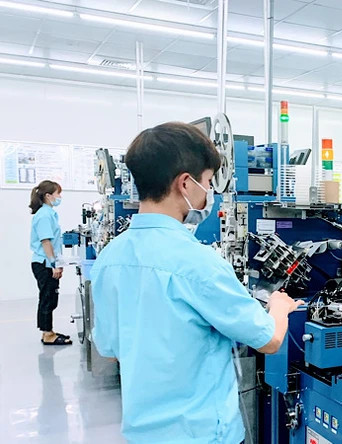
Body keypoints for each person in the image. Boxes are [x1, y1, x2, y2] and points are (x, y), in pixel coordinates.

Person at [90, 122, 302, 443]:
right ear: (185, 184)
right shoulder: (197, 263)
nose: (210, 192)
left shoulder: (110, 257)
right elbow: (268, 340)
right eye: (207, 181)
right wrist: (280, 307)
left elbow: (110, 350)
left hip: (142, 433)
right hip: (202, 434)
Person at [29, 180, 71, 346]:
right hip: (44, 263)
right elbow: (46, 242)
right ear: (48, 196)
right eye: (57, 193)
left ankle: (48, 331)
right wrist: (54, 265)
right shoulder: (44, 216)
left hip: (46, 262)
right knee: (47, 298)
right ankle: (47, 334)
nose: (60, 197)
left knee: (50, 297)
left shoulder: (49, 213)